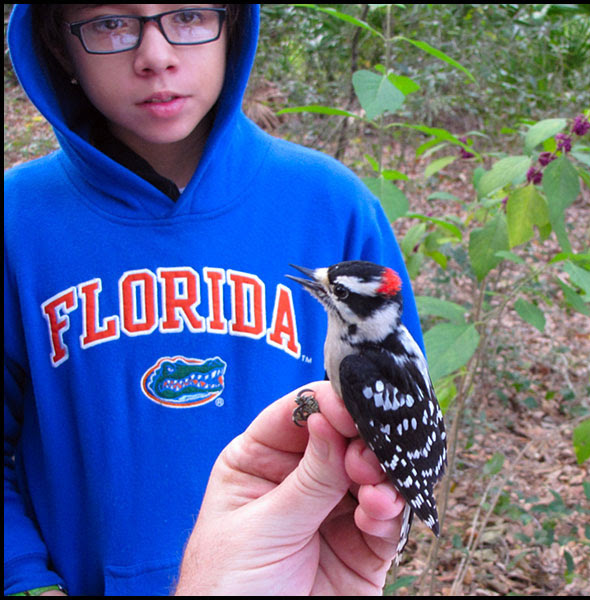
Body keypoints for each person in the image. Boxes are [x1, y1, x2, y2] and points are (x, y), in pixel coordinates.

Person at [4, 4, 423, 595]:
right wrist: (23, 578)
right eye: (110, 24)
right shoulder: (18, 222)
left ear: (234, 25)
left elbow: (399, 419)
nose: (156, 57)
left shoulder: (329, 206)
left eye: (190, 15)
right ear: (57, 44)